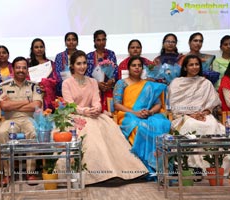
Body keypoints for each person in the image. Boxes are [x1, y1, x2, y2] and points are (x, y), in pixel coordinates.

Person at [60, 50, 148, 185]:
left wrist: (96, 109)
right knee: (89, 130)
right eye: (78, 64)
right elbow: (70, 105)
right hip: (74, 116)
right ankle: (97, 175)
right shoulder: (67, 83)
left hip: (93, 114)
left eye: (84, 63)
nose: (82, 66)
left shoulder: (93, 82)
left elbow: (97, 101)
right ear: (72, 66)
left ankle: (124, 171)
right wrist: (85, 111)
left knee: (110, 127)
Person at [169, 55, 229, 173]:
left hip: (204, 114)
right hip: (184, 116)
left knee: (211, 125)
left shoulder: (205, 83)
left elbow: (212, 104)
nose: (194, 67)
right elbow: (174, 105)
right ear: (185, 67)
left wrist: (205, 112)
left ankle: (214, 167)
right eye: (191, 64)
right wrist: (191, 114)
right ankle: (193, 167)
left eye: (197, 64)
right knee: (192, 126)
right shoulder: (177, 83)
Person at [113, 56, 171, 173]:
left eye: (139, 66)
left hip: (149, 114)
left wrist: (150, 112)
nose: (137, 68)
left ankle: (159, 165)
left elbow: (157, 104)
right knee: (139, 126)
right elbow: (117, 105)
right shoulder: (121, 83)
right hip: (128, 114)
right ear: (128, 68)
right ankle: (143, 166)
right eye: (134, 65)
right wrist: (135, 112)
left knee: (161, 124)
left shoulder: (148, 84)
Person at [0, 56, 43, 185]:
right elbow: (4, 106)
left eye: (24, 67)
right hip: (10, 119)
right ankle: (7, 174)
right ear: (13, 69)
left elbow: (37, 105)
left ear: (27, 70)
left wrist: (13, 103)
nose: (21, 70)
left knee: (34, 132)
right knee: (2, 133)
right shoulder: (4, 86)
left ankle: (31, 173)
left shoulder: (34, 86)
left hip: (29, 118)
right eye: (18, 67)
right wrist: (27, 101)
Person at [86, 30, 118, 111]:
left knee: (110, 113)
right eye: (98, 40)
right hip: (94, 90)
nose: (101, 42)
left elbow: (115, 70)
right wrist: (97, 84)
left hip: (109, 88)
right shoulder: (89, 56)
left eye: (103, 39)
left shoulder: (111, 54)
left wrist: (111, 80)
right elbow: (87, 75)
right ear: (94, 41)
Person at [28, 38, 58, 110]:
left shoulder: (51, 63)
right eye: (36, 47)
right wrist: (36, 87)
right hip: (32, 96)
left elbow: (55, 79)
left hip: (48, 96)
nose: (39, 49)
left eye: (41, 47)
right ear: (32, 49)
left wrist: (44, 84)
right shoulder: (27, 63)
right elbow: (25, 79)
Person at [54, 32, 78, 96]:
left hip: (79, 87)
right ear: (65, 42)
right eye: (68, 40)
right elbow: (57, 73)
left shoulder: (81, 55)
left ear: (77, 42)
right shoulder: (59, 56)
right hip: (63, 89)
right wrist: (68, 84)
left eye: (74, 39)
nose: (71, 42)